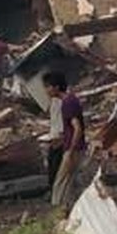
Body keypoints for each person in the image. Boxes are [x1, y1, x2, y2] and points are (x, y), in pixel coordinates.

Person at [47, 71, 86, 207]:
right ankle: (70, 208)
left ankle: (58, 209)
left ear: (57, 87)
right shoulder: (69, 100)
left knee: (60, 182)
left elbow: (77, 128)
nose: (47, 90)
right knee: (69, 181)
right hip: (73, 146)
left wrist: (70, 150)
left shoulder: (68, 103)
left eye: (49, 87)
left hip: (73, 149)